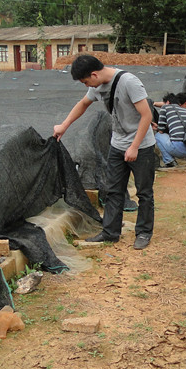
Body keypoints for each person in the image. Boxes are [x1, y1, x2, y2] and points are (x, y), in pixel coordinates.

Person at [53, 54, 156, 250]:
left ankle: (143, 233)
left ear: (94, 74)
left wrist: (134, 146)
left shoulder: (129, 82)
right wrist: (64, 126)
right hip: (117, 145)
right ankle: (110, 232)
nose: (87, 87)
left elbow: (146, 115)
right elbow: (83, 104)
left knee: (144, 192)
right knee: (113, 190)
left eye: (86, 82)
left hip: (141, 146)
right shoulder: (97, 85)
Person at [154, 93, 186, 168]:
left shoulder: (165, 108)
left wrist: (156, 128)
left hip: (179, 150)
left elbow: (161, 131)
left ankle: (169, 161)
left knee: (158, 136)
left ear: (167, 102)